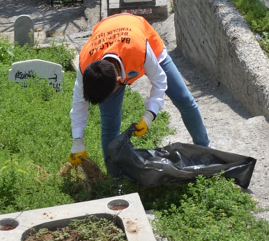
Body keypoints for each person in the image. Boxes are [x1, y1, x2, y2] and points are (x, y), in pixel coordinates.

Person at [67, 12, 209, 175]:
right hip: (107, 35)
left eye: (109, 95)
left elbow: (160, 81)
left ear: (119, 80)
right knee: (109, 123)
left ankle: (204, 152)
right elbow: (79, 102)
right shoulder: (87, 63)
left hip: (141, 39)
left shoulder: (139, 49)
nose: (107, 100)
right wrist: (77, 141)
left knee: (184, 99)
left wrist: (150, 114)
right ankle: (115, 177)